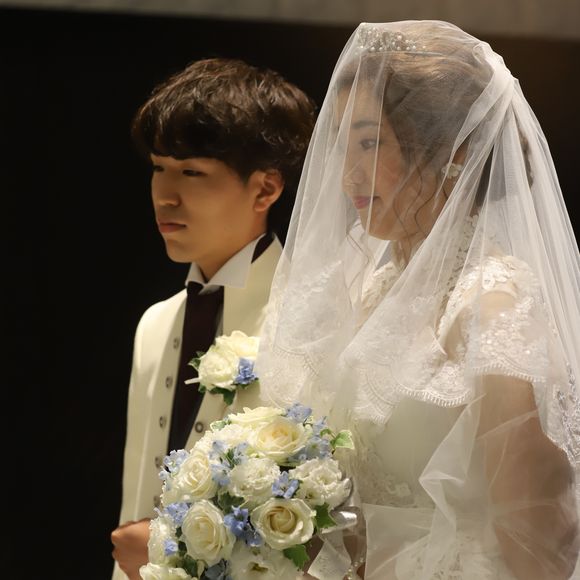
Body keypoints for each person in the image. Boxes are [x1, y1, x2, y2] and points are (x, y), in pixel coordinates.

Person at [256, 20, 580, 579]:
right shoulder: (377, 290)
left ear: (452, 151)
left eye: (369, 142)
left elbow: (538, 534)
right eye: (343, 145)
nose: (348, 175)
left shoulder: (491, 304)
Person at [111, 57, 316, 580]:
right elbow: (136, 499)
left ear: (265, 189)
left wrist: (163, 547)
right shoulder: (156, 322)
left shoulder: (310, 324)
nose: (165, 194)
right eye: (158, 167)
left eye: (192, 172)